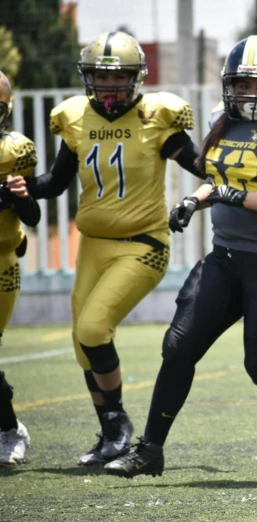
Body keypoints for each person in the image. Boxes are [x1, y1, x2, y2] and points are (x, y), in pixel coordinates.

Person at [104, 35, 257, 480]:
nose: (248, 95)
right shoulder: (221, 121)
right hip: (226, 257)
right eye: (241, 85)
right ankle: (150, 449)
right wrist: (195, 199)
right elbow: (217, 177)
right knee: (178, 346)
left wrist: (232, 196)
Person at [25, 31, 203, 465]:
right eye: (100, 77)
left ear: (136, 77)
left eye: (118, 76)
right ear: (87, 78)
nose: (108, 86)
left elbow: (202, 166)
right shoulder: (74, 118)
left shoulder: (157, 116)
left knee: (92, 328)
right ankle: (110, 432)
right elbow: (53, 183)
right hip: (93, 247)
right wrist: (17, 189)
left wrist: (226, 159)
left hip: (143, 244)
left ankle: (118, 422)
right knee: (81, 341)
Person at [0, 70, 39, 466]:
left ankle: (10, 430)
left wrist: (18, 195)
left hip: (1, 260)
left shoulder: (14, 150)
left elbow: (33, 214)